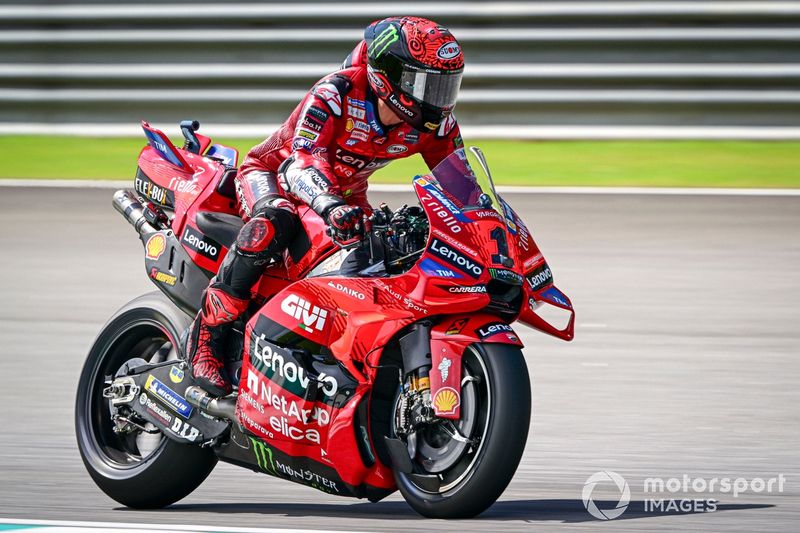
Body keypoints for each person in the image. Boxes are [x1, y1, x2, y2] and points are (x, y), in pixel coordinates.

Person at [186, 16, 467, 396]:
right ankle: (208, 338)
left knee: (393, 249)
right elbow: (301, 161)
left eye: (447, 85)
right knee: (272, 222)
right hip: (276, 176)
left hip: (345, 195)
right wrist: (328, 204)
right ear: (389, 77)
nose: (438, 98)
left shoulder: (434, 125)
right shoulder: (336, 93)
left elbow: (461, 185)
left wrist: (483, 226)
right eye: (427, 83)